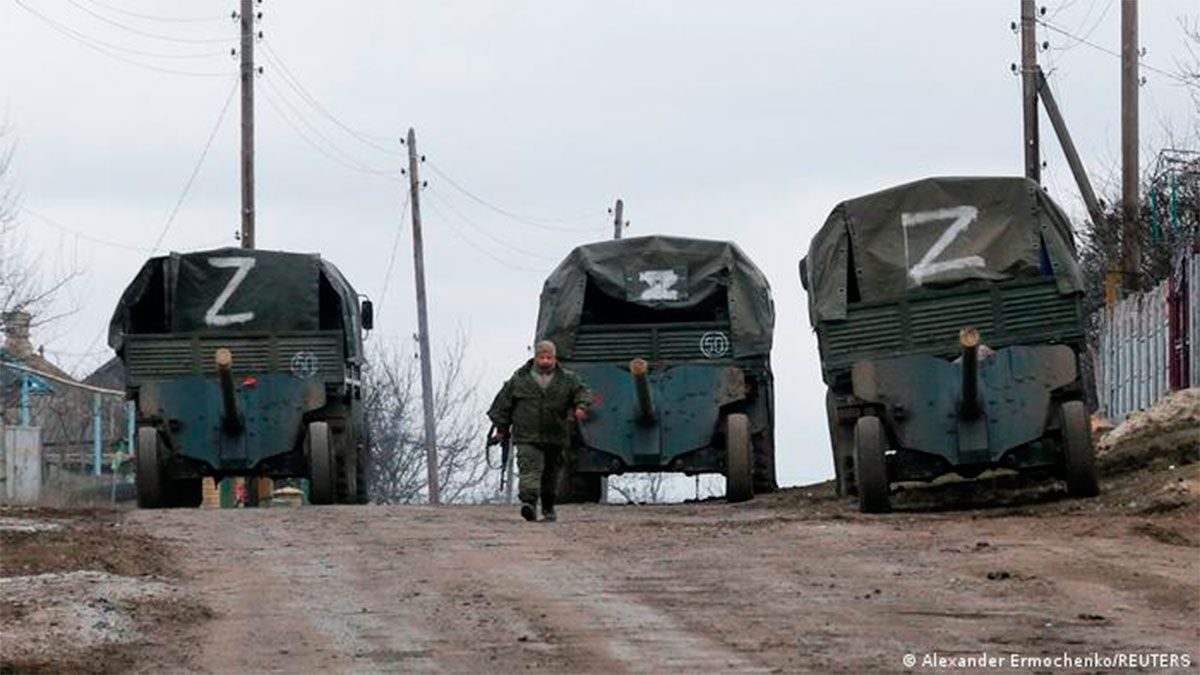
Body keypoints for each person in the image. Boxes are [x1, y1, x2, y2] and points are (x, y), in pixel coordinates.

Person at [487, 340, 590, 522]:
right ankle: (529, 503)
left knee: (552, 473)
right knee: (530, 469)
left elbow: (582, 392)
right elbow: (503, 404)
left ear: (554, 358)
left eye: (548, 357)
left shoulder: (567, 379)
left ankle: (548, 507)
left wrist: (581, 406)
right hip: (527, 435)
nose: (545, 361)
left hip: (556, 435)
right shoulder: (520, 379)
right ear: (535, 357)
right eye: (541, 357)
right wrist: (501, 429)